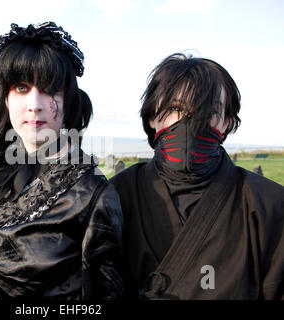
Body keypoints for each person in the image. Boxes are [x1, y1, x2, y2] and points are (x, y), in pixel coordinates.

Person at [0, 22, 124, 300]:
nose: (35, 103)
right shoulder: (0, 177)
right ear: (5, 99)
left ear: (68, 100)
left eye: (49, 89)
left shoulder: (94, 196)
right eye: (21, 87)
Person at [110, 53, 284, 299]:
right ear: (151, 117)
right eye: (174, 109)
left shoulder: (269, 205)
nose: (189, 123)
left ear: (227, 122)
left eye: (207, 111)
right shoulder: (117, 196)